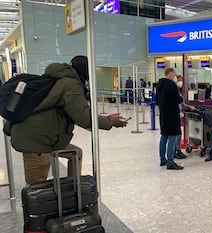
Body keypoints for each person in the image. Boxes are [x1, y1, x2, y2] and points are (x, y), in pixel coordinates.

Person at [10, 55, 127, 185]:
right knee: (36, 187)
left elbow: (76, 112)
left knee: (75, 154)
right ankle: (57, 197)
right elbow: (82, 117)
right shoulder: (70, 84)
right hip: (36, 139)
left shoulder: (59, 79)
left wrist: (106, 119)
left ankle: (73, 191)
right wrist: (110, 122)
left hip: (45, 136)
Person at [157, 68, 184, 170]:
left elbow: (158, 101)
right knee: (172, 138)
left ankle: (162, 160)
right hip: (172, 115)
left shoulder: (159, 85)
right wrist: (181, 98)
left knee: (164, 137)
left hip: (163, 115)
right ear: (171, 74)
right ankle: (170, 162)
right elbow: (177, 99)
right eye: (174, 74)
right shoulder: (171, 85)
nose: (175, 76)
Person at [174, 75, 196, 159]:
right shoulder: (174, 92)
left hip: (179, 115)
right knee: (176, 134)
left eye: (181, 81)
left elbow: (182, 105)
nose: (180, 83)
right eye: (179, 80)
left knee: (179, 134)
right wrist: (188, 107)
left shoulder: (180, 93)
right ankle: (175, 151)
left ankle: (178, 150)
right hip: (175, 115)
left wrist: (190, 107)